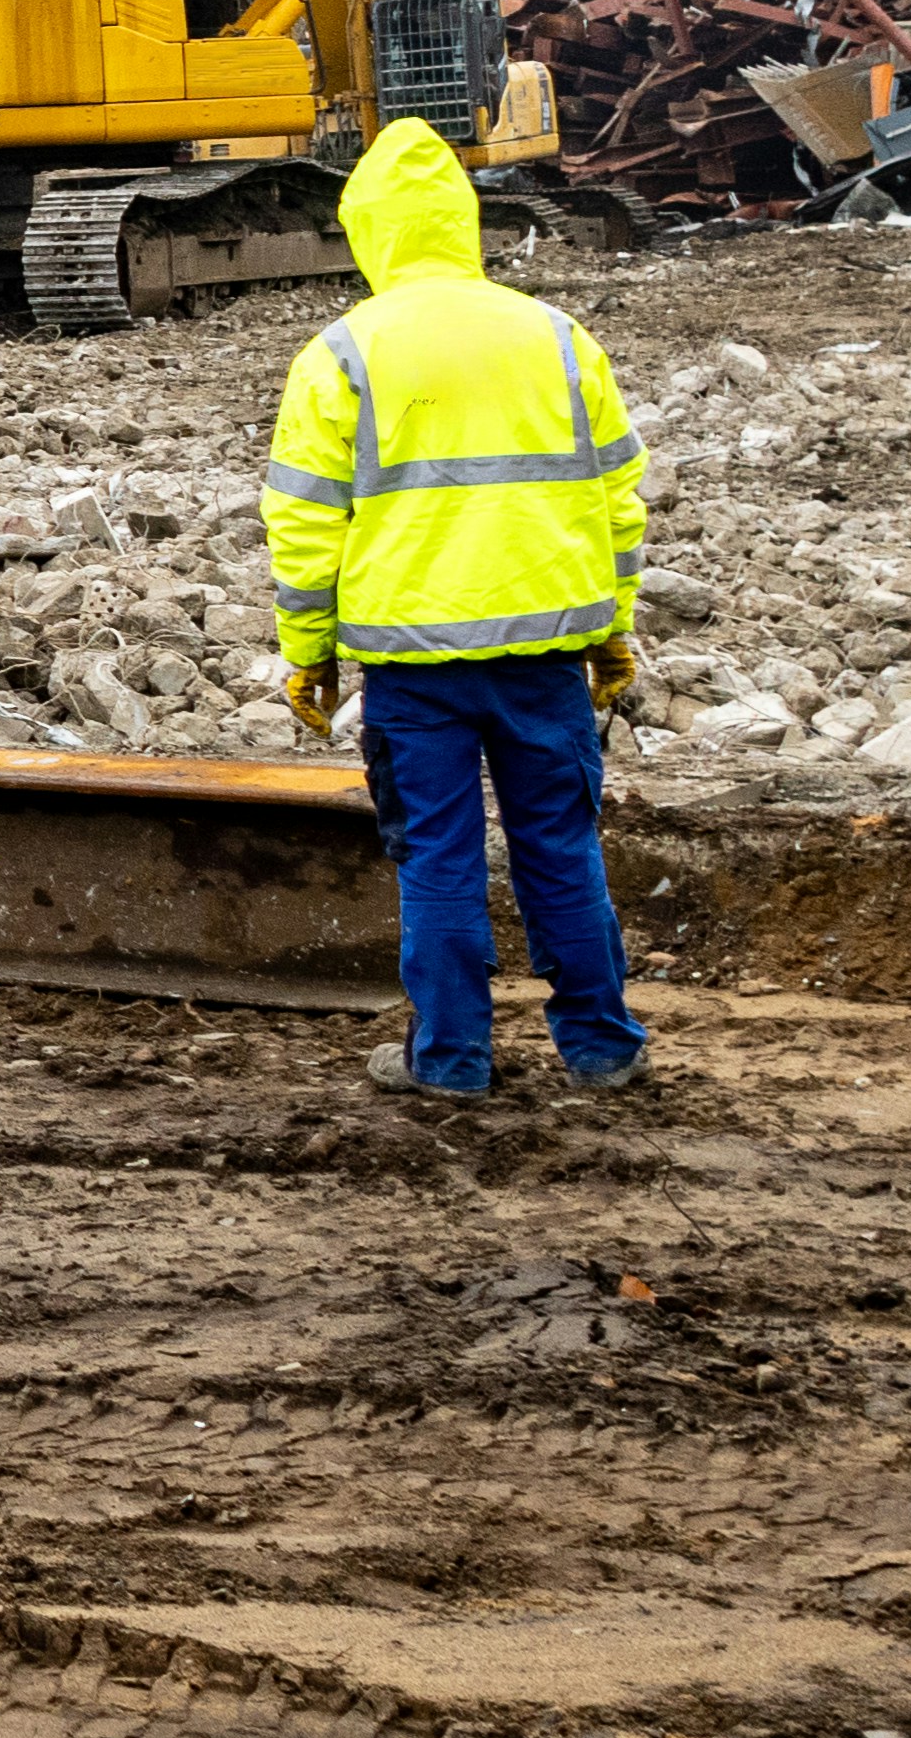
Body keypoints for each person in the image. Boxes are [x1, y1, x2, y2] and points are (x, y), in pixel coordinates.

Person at [258, 119, 656, 1101]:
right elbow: (613, 498)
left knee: (434, 856)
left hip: (412, 667)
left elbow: (305, 526)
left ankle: (449, 1061)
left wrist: (306, 653)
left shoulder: (341, 355)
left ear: (369, 234)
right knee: (559, 847)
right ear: (460, 223)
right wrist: (611, 630)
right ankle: (600, 1049)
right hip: (545, 654)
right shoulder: (555, 340)